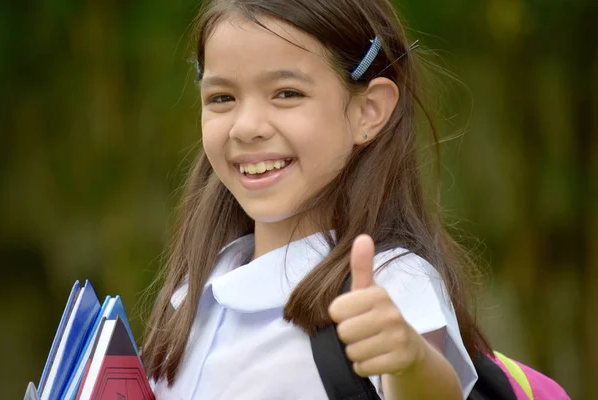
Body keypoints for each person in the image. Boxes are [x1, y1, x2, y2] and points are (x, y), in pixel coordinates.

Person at [142, 0, 492, 398]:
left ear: (368, 110)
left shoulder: (390, 282)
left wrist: (410, 360)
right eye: (222, 98)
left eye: (286, 93)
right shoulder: (197, 290)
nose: (246, 127)